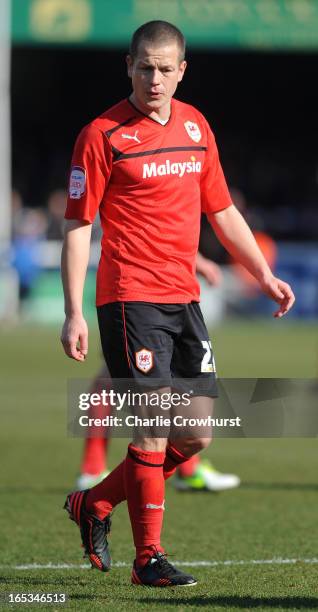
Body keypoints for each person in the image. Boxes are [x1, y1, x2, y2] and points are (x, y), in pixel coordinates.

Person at [61, 20, 295, 587]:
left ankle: (93, 504)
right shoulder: (102, 135)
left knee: (195, 436)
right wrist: (72, 309)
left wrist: (261, 273)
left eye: (167, 68)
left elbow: (222, 212)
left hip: (183, 300)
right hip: (129, 299)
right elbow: (77, 225)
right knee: (153, 429)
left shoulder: (196, 126)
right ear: (129, 66)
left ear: (182, 70)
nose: (156, 79)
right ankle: (149, 561)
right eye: (146, 67)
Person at [76, 252, 240, 493]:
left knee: (154, 373)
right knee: (115, 374)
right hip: (130, 284)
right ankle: (93, 469)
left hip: (164, 282)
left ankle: (185, 467)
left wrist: (194, 259)